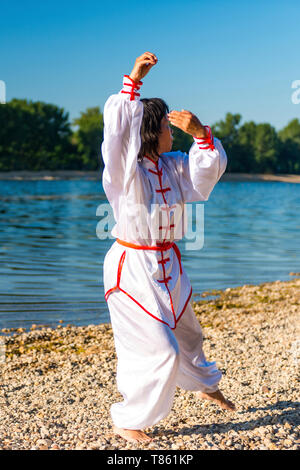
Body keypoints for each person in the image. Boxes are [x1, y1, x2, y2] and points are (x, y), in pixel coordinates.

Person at [102, 52, 235, 443]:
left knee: (189, 335)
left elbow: (204, 173)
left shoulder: (172, 164)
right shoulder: (125, 172)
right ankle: (129, 418)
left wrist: (200, 135)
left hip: (168, 263)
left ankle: (206, 385)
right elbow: (117, 136)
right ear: (149, 131)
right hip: (133, 267)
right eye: (165, 126)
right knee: (161, 348)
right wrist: (134, 81)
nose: (169, 133)